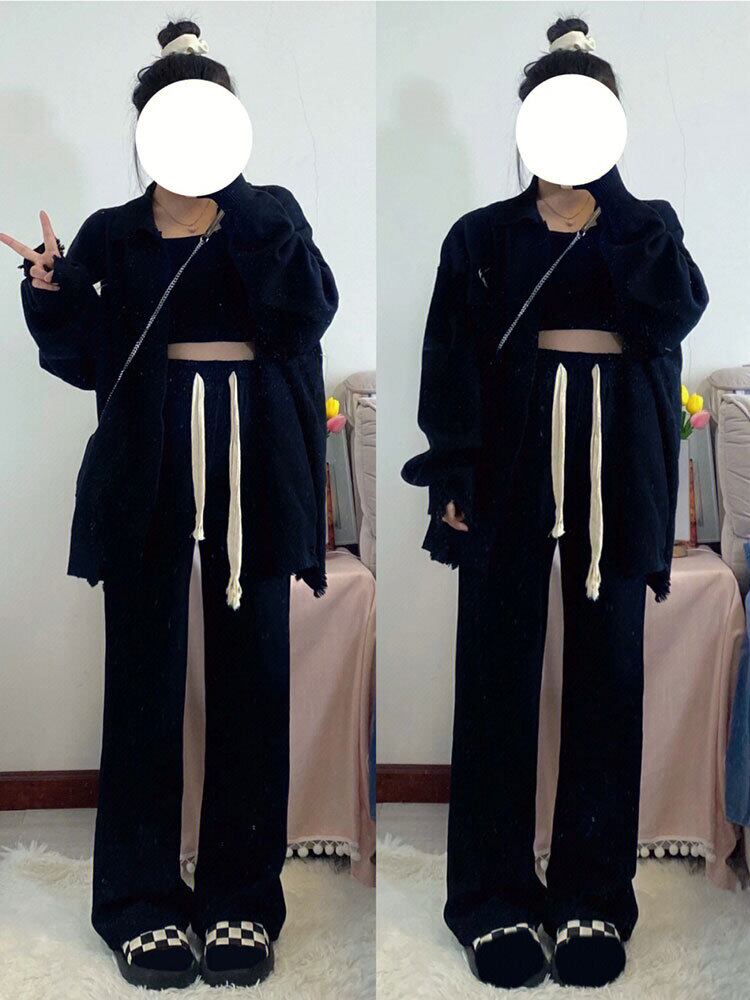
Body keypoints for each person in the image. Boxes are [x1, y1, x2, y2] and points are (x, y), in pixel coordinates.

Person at [1, 19, 337, 990]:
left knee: (253, 679)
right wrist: (48, 289)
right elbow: (83, 358)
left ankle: (241, 903)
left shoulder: (270, 214)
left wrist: (241, 201)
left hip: (255, 459)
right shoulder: (113, 231)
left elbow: (307, 310)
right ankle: (139, 904)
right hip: (147, 464)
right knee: (143, 683)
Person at [401, 16, 708, 990]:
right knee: (496, 672)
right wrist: (454, 475)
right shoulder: (481, 236)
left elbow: (674, 313)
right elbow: (450, 359)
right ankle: (491, 900)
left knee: (609, 673)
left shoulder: (648, 227)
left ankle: (592, 898)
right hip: (508, 461)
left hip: (620, 463)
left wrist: (606, 206)